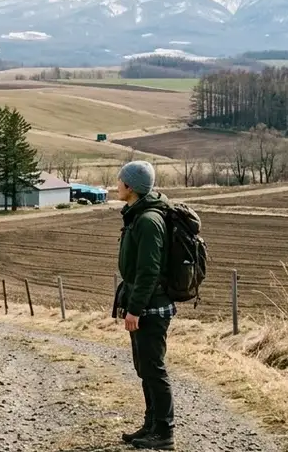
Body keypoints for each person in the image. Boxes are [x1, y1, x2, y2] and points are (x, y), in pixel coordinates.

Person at [112, 160, 176, 450]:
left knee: (154, 368)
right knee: (144, 368)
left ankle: (164, 433)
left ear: (131, 186)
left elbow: (148, 271)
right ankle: (150, 425)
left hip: (151, 307)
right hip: (143, 304)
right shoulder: (138, 215)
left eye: (120, 180)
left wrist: (135, 309)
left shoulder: (149, 220)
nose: (116, 184)